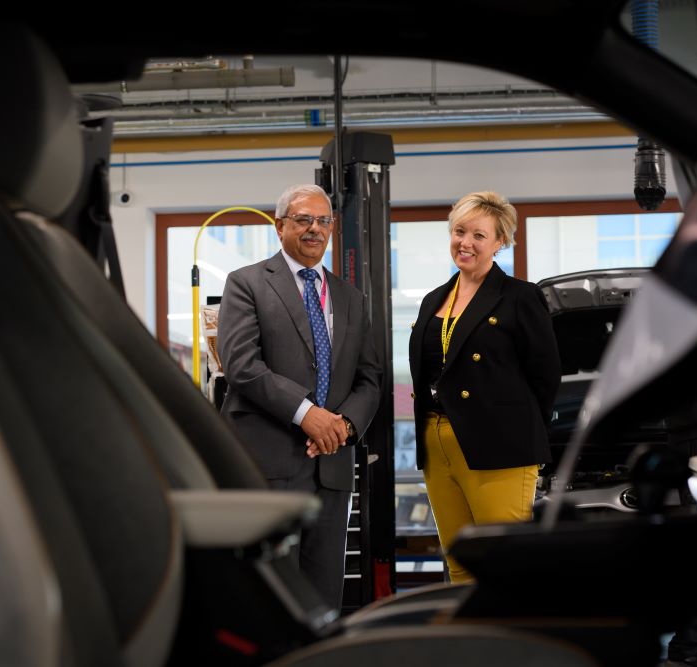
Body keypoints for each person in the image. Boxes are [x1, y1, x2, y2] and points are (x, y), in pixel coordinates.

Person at [217, 183, 381, 610]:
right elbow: (241, 365)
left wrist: (342, 425)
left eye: (322, 220)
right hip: (269, 463)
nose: (314, 229)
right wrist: (308, 414)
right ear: (280, 225)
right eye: (303, 219)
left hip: (331, 466)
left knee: (324, 595)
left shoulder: (350, 297)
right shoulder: (247, 283)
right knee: (269, 596)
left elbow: (369, 377)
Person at [408, 190, 561, 583]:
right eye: (459, 231)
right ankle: (471, 646)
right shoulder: (433, 300)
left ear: (500, 242)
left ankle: (516, 644)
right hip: (437, 440)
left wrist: (521, 430)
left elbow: (546, 376)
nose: (466, 243)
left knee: (503, 563)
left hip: (500, 445)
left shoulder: (520, 297)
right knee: (460, 562)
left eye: (479, 235)